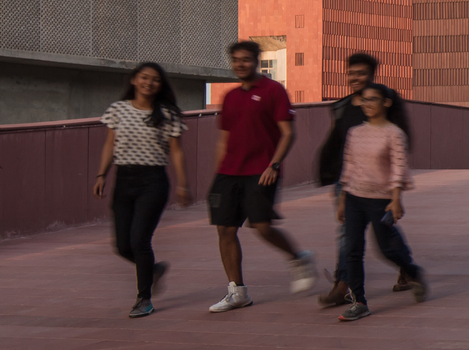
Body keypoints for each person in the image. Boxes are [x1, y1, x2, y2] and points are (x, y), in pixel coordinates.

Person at [208, 40, 315, 312]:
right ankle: (237, 291)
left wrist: (274, 165)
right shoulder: (230, 96)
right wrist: (219, 170)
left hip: (261, 170)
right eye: (235, 60)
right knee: (225, 229)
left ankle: (298, 258)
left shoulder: (273, 90)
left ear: (257, 61)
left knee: (261, 226)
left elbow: (288, 133)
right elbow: (225, 137)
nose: (240, 64)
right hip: (229, 172)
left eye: (245, 59)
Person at [92, 62, 192, 317]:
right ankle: (153, 270)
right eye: (144, 78)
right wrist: (102, 174)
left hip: (153, 181)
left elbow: (177, 151)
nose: (149, 83)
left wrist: (183, 184)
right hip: (124, 180)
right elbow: (109, 145)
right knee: (122, 246)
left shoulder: (167, 113)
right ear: (135, 80)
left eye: (155, 79)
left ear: (161, 85)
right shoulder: (118, 110)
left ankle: (143, 298)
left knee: (139, 240)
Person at [314, 52, 414, 308]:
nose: (355, 78)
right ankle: (343, 285)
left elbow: (401, 138)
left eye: (361, 73)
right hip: (348, 180)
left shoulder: (385, 101)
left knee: (385, 231)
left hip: (380, 183)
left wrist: (396, 191)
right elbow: (337, 141)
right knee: (347, 233)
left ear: (372, 75)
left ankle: (407, 266)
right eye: (351, 73)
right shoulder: (343, 105)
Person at [334, 83, 426, 321]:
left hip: (381, 201)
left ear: (386, 103)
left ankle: (413, 271)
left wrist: (396, 199)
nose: (367, 104)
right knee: (353, 251)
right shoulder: (355, 132)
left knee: (386, 248)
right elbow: (349, 166)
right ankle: (359, 302)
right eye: (364, 100)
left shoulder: (394, 134)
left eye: (373, 99)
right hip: (354, 197)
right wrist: (343, 198)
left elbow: (398, 168)